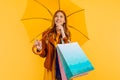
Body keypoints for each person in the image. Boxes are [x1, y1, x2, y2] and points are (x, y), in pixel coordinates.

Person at [32, 10, 71, 80]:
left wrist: (62, 32)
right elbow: (43, 54)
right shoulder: (46, 33)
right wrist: (40, 49)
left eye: (61, 16)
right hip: (50, 67)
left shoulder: (67, 34)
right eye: (56, 16)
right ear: (54, 19)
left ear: (64, 21)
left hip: (63, 68)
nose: (58, 18)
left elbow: (68, 51)